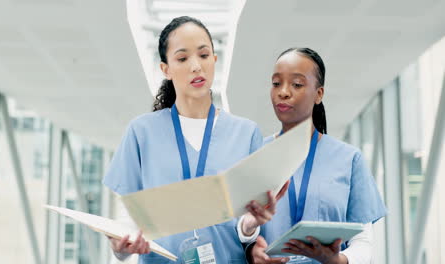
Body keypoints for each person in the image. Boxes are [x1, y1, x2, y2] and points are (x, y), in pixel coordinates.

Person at [102, 16, 283, 264]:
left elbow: (247, 231)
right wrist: (123, 246)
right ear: (166, 69)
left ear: (214, 60)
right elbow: (125, 224)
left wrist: (250, 225)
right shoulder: (141, 132)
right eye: (183, 58)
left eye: (204, 55)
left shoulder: (246, 133)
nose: (196, 66)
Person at [238, 48, 387, 264]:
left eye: (297, 84)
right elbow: (237, 232)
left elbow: (363, 243)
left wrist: (336, 261)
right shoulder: (254, 156)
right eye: (276, 83)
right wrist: (251, 247)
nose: (283, 92)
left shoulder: (348, 159)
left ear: (319, 94)